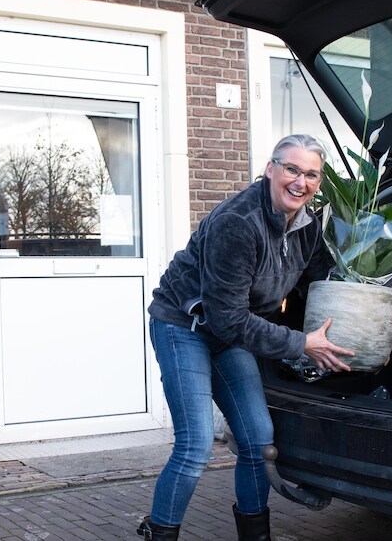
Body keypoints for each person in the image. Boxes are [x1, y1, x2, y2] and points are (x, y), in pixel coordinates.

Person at [137, 134, 355, 541]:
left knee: (258, 441)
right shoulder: (236, 224)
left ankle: (256, 536)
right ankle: (160, 533)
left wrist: (358, 314)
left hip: (234, 329)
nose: (300, 182)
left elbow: (319, 284)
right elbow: (228, 318)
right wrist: (301, 343)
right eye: (291, 169)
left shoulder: (309, 225)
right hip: (184, 327)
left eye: (311, 174)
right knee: (196, 444)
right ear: (270, 169)